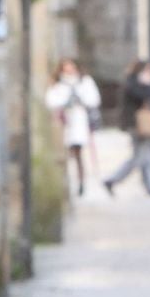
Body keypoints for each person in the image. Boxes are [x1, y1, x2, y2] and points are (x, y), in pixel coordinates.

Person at [104, 59, 150, 196]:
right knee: (138, 157)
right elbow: (141, 96)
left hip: (144, 124)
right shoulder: (132, 82)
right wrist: (148, 85)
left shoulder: (140, 82)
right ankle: (112, 179)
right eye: (147, 70)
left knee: (148, 157)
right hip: (136, 125)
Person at [46, 58, 103, 196]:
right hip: (64, 121)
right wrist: (64, 102)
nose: (69, 70)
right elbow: (50, 100)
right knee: (63, 155)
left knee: (78, 153)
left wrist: (81, 99)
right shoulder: (58, 83)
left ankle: (81, 182)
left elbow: (94, 99)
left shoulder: (84, 81)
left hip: (79, 120)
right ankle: (64, 183)